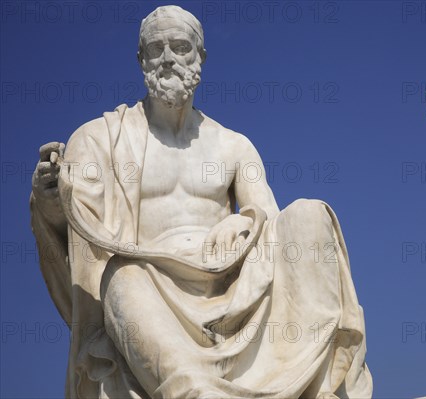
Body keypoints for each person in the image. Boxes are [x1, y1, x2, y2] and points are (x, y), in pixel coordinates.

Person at [31, 6, 372, 398]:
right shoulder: (98, 138)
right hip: (148, 281)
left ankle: (320, 381)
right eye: (156, 49)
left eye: (180, 46)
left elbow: (273, 223)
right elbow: (78, 232)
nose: (168, 59)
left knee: (310, 215)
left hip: (233, 282)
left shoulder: (233, 145)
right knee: (119, 279)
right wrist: (51, 198)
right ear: (140, 60)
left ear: (200, 57)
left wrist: (245, 222)